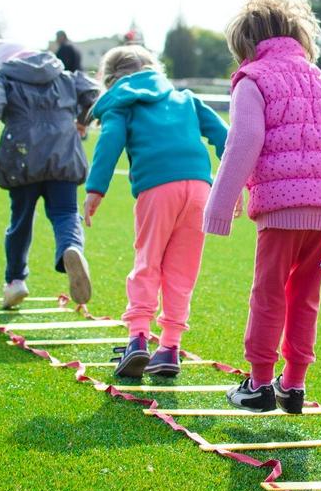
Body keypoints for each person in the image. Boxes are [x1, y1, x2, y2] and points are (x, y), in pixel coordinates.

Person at [203, 0, 321, 414]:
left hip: (282, 207)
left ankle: (257, 383)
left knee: (268, 293)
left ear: (246, 44)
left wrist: (221, 203)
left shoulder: (253, 79)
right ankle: (293, 384)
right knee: (304, 295)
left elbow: (245, 140)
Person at [83, 46, 227, 377]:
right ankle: (170, 348)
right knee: (182, 270)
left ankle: (137, 339)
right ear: (154, 69)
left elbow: (110, 141)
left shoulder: (123, 103)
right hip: (200, 189)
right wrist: (235, 184)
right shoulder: (186, 98)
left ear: (110, 80)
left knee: (147, 261)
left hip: (157, 187)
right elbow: (226, 137)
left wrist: (95, 189)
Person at [0, 45, 98, 309]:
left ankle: (15, 281)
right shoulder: (64, 76)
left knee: (21, 219)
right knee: (66, 212)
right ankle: (70, 248)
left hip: (22, 157)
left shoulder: (6, 78)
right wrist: (81, 121)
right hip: (63, 153)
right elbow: (93, 96)